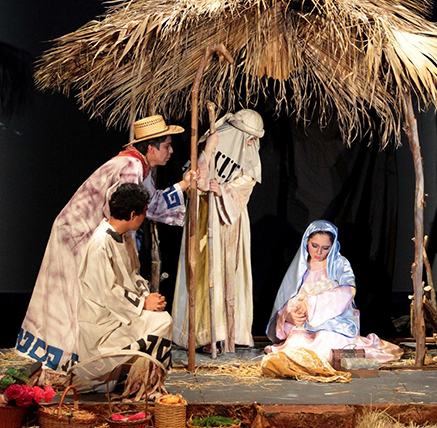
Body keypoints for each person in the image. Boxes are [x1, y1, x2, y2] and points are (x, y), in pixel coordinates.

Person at [16, 115, 196, 372]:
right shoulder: (131, 166)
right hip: (78, 233)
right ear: (150, 147)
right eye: (166, 145)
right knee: (74, 293)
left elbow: (150, 203)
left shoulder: (138, 165)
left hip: (91, 231)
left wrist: (183, 185)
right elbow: (126, 212)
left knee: (85, 291)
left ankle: (76, 354)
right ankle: (67, 356)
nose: (171, 151)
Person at [172, 109, 263, 352]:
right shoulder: (214, 143)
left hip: (229, 220)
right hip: (203, 216)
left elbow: (244, 187)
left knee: (228, 274)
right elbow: (194, 179)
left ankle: (225, 333)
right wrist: (209, 150)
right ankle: (203, 334)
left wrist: (222, 190)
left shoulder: (249, 157)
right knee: (204, 273)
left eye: (255, 139)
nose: (252, 144)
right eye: (249, 138)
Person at [73, 183, 172, 393]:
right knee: (161, 322)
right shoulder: (100, 244)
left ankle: (142, 382)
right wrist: (143, 304)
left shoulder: (125, 236)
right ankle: (137, 385)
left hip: (122, 314)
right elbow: (108, 292)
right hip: (104, 323)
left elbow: (133, 275)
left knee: (161, 319)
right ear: (133, 214)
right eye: (143, 212)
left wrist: (149, 298)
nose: (145, 217)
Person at [265, 220, 403, 363]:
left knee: (327, 343)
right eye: (314, 246)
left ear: (333, 246)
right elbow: (287, 299)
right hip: (304, 324)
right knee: (297, 344)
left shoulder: (339, 264)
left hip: (333, 321)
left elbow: (349, 291)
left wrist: (311, 304)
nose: (319, 252)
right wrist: (289, 316)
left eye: (325, 248)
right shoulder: (300, 267)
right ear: (306, 242)